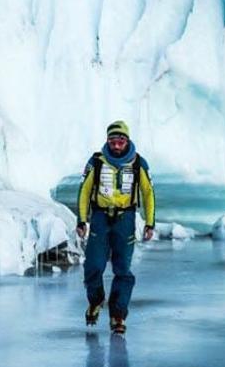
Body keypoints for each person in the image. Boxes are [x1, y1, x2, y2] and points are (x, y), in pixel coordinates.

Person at [76, 120, 155, 335]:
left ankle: (118, 314)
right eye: (112, 140)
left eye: (120, 140)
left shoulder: (139, 163)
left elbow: (148, 193)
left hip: (126, 220)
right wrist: (81, 220)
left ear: (127, 140)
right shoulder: (97, 162)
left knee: (123, 270)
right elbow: (84, 191)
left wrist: (150, 223)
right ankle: (96, 300)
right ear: (107, 141)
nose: (117, 145)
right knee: (93, 265)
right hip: (100, 219)